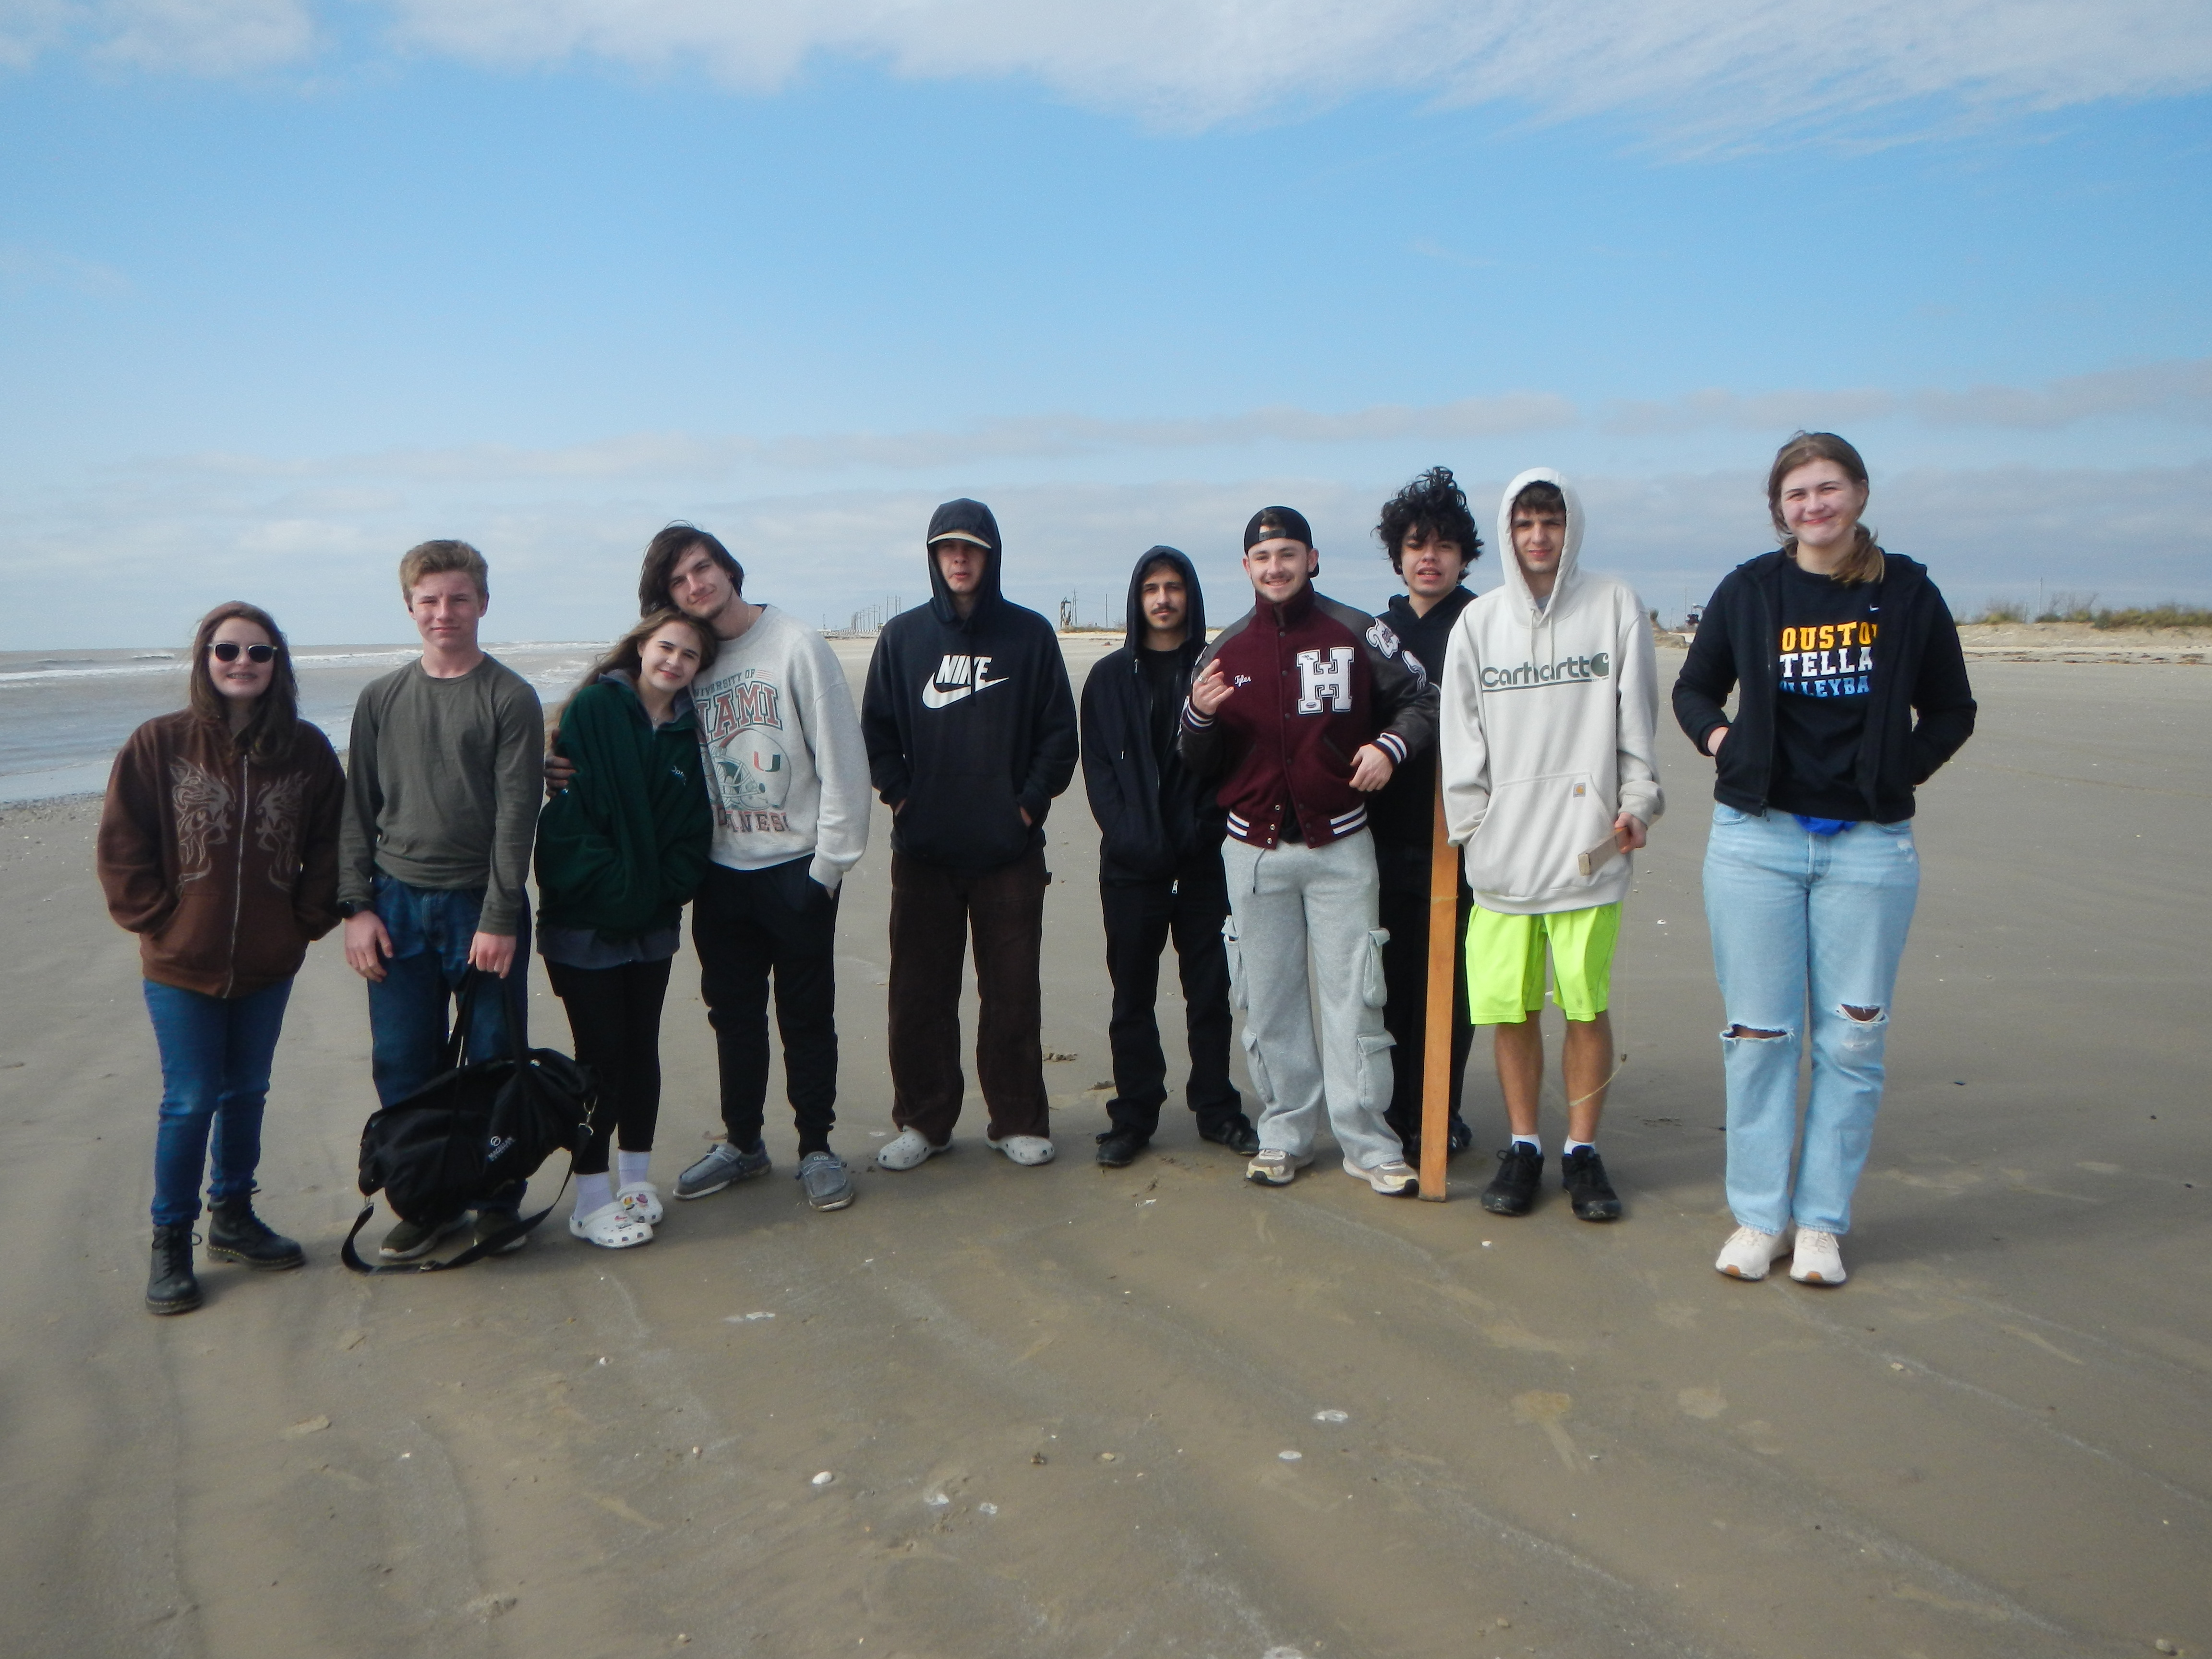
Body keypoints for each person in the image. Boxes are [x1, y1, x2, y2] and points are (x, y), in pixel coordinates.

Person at [1673, 432, 1975, 1286]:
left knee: (1853, 1038)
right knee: (1759, 1036)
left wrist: (1893, 773)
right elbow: (1694, 689)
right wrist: (1722, 741)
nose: (1815, 505)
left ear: (1861, 494)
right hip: (1755, 844)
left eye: (1828, 488)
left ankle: (1821, 1226)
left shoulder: (1909, 594)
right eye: (1798, 494)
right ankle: (1759, 1218)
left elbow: (1953, 709)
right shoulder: (1750, 591)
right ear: (1780, 508)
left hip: (1870, 851)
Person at [1181, 506, 1437, 1194]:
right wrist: (1200, 716)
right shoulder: (1223, 652)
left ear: (1312, 558)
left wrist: (1391, 745)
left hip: (1343, 845)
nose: (1276, 568)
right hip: (1255, 855)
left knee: (1357, 997)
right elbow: (1196, 757)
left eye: (1288, 554)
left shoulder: (1356, 631)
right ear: (1246, 569)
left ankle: (1368, 1141)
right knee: (1269, 1002)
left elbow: (1424, 697)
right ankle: (1284, 1133)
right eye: (1263, 558)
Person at [98, 601, 346, 1313]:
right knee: (189, 1099)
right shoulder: (159, 743)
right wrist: (160, 923)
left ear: (278, 663)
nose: (243, 663)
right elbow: (122, 844)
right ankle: (170, 1239)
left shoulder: (305, 749)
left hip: (269, 961)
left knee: (247, 1091)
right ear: (205, 658)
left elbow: (332, 842)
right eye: (227, 650)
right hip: (181, 964)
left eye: (259, 652)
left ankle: (232, 1217)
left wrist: (304, 921)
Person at [626, 526, 874, 1214]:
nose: (695, 585)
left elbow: (843, 763)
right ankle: (743, 1143)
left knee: (806, 1016)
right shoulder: (688, 658)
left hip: (797, 867)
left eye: (702, 569)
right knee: (732, 1015)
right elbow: (636, 722)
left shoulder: (795, 644)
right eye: (678, 581)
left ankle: (818, 1147)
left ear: (727, 568)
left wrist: (827, 870)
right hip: (720, 872)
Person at [1439, 470, 1662, 1223]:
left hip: (1586, 851)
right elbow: (1460, 739)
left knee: (1585, 1006)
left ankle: (1583, 1152)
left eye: (1553, 522)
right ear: (1508, 531)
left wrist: (1637, 806)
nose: (1539, 537)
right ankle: (1527, 1143)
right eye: (1527, 523)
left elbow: (1637, 726)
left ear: (1573, 529)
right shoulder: (1479, 625)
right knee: (1510, 1010)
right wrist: (1475, 826)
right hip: (1504, 860)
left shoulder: (1615, 607)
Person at [338, 540, 544, 1262]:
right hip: (395, 906)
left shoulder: (510, 696)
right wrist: (355, 907)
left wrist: (498, 916)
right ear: (409, 608)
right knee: (403, 1064)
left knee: (492, 1058)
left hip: (482, 906)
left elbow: (517, 816)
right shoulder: (380, 699)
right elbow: (358, 810)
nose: (444, 613)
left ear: (482, 604)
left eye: (458, 599)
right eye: (429, 601)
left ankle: (493, 1200)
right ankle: (426, 1201)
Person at [861, 499, 1078, 1171]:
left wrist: (1026, 807)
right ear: (933, 557)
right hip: (923, 853)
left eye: (971, 549)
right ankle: (923, 1122)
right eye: (947, 549)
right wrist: (903, 798)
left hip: (1008, 854)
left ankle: (1016, 1118)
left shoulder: (1030, 635)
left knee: (1011, 993)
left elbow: (1058, 737)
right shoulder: (901, 639)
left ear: (991, 555)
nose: (959, 560)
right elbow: (877, 733)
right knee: (918, 995)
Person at [535, 610, 717, 1248]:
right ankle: (590, 1198)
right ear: (642, 646)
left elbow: (695, 830)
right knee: (600, 1057)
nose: (674, 662)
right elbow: (569, 828)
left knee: (642, 1050)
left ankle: (636, 1179)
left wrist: (660, 891)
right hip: (585, 922)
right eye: (666, 647)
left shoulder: (690, 733)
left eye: (689, 655)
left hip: (652, 926)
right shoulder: (593, 710)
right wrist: (624, 892)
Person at [1080, 546, 1257, 1167]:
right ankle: (1134, 1114)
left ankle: (1217, 1107)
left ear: (1190, 596)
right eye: (1152, 588)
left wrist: (1201, 834)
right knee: (1133, 995)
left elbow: (1228, 762)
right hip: (1131, 866)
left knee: (1208, 992)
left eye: (1174, 587)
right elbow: (1099, 771)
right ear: (1138, 598)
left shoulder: (1214, 670)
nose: (1163, 599)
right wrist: (1133, 839)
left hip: (1204, 861)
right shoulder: (1107, 679)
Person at [1368, 468, 1483, 1161]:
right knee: (1391, 986)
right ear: (1399, 555)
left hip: (1464, 839)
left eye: (1443, 545)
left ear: (1464, 555)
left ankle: (1441, 1110)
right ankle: (1393, 1109)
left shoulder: (1486, 625)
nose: (1429, 556)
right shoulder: (1377, 635)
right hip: (1385, 836)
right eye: (1416, 545)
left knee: (1454, 987)